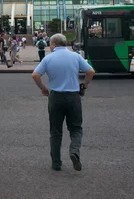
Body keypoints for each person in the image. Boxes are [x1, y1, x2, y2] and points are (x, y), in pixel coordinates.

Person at [31, 33, 95, 172]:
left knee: (55, 132)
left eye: (50, 44)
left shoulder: (48, 58)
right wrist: (84, 86)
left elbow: (35, 75)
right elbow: (90, 71)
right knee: (76, 128)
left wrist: (43, 88)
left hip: (55, 97)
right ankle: (74, 151)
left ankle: (56, 163)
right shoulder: (76, 56)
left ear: (53, 44)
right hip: (73, 96)